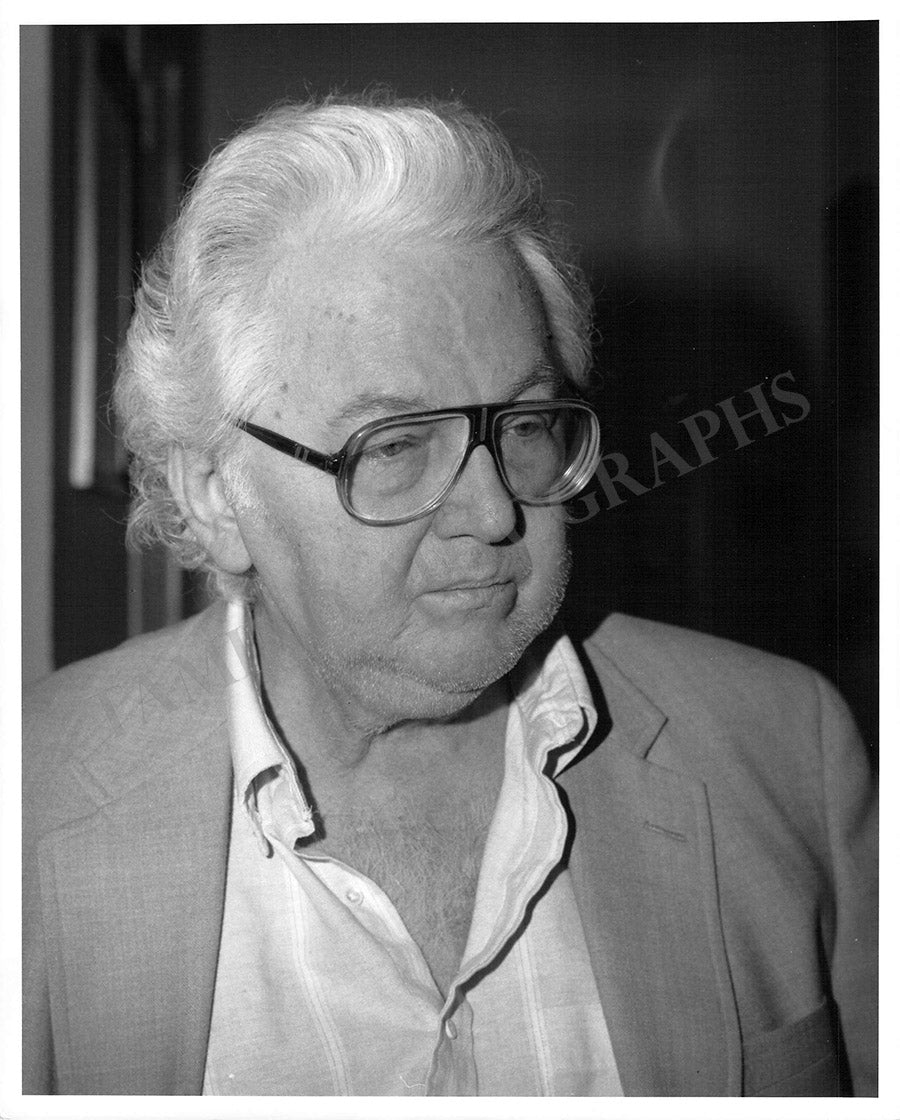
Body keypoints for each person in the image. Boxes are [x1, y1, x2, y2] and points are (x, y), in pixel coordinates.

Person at [23, 94, 876, 1097]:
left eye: (525, 425)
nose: (494, 510)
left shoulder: (787, 749)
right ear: (217, 494)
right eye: (392, 446)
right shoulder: (33, 792)